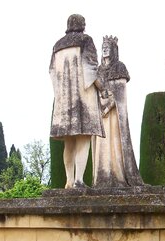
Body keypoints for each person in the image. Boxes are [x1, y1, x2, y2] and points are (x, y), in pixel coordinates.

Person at [50, 14, 104, 189]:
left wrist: (60, 93)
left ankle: (69, 180)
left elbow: (51, 71)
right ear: (82, 25)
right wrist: (102, 87)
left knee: (69, 141)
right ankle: (79, 180)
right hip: (83, 96)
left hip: (63, 100)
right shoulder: (85, 40)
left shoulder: (57, 46)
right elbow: (91, 68)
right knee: (84, 137)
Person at [92, 36, 145, 187]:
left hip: (113, 115)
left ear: (114, 50)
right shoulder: (99, 70)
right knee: (101, 146)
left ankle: (116, 176)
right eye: (103, 47)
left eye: (107, 47)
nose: (105, 50)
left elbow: (120, 96)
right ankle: (102, 178)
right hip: (100, 115)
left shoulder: (119, 68)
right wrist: (99, 108)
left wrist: (108, 108)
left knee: (114, 143)